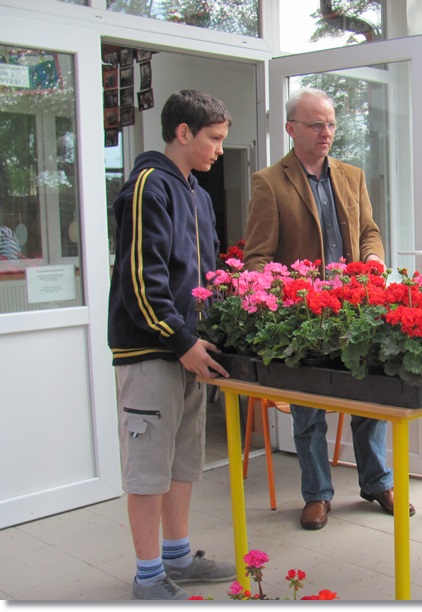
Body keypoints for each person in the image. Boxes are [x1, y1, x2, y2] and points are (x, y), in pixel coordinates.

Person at [243, 87, 414, 531]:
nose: (326, 132)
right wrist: (285, 295)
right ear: (291, 128)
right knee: (308, 411)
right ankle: (317, 494)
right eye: (316, 124)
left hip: (356, 308)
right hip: (305, 316)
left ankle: (376, 483)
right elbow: (257, 258)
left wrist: (373, 259)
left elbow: (370, 231)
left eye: (331, 124)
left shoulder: (352, 176)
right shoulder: (269, 182)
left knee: (368, 400)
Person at [108, 90, 235, 600]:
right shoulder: (147, 186)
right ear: (183, 133)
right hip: (152, 354)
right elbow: (141, 282)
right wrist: (182, 341)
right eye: (214, 138)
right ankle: (147, 576)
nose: (220, 149)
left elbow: (204, 276)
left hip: (190, 351)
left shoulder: (197, 193)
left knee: (183, 462)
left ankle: (178, 556)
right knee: (148, 470)